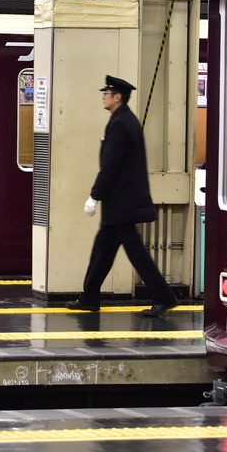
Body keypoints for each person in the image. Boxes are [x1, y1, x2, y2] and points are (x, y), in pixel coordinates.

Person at [66, 75, 179, 318]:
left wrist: (94, 196)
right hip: (120, 203)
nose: (103, 96)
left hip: (122, 203)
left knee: (135, 253)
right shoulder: (123, 119)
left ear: (117, 97)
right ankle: (90, 297)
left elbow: (111, 165)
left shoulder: (120, 123)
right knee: (102, 252)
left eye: (107, 93)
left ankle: (164, 297)